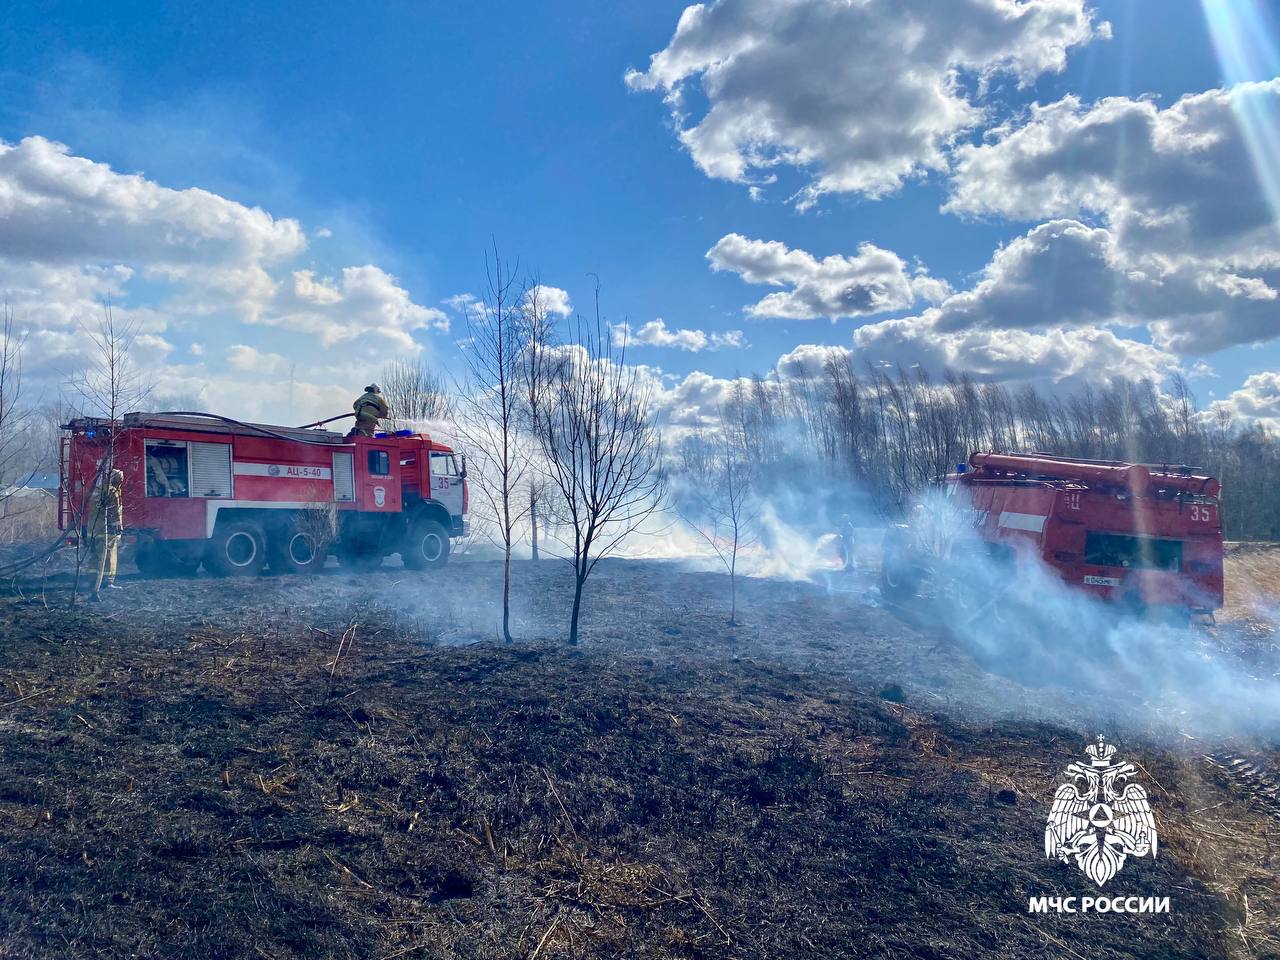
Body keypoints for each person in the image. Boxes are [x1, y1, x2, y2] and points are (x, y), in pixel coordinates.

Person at [87, 468, 124, 599]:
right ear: (115, 479)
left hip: (92, 529)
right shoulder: (112, 492)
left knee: (94, 556)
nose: (121, 482)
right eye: (120, 479)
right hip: (106, 530)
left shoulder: (98, 489)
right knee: (108, 556)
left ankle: (92, 581)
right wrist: (118, 527)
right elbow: (114, 512)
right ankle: (107, 582)